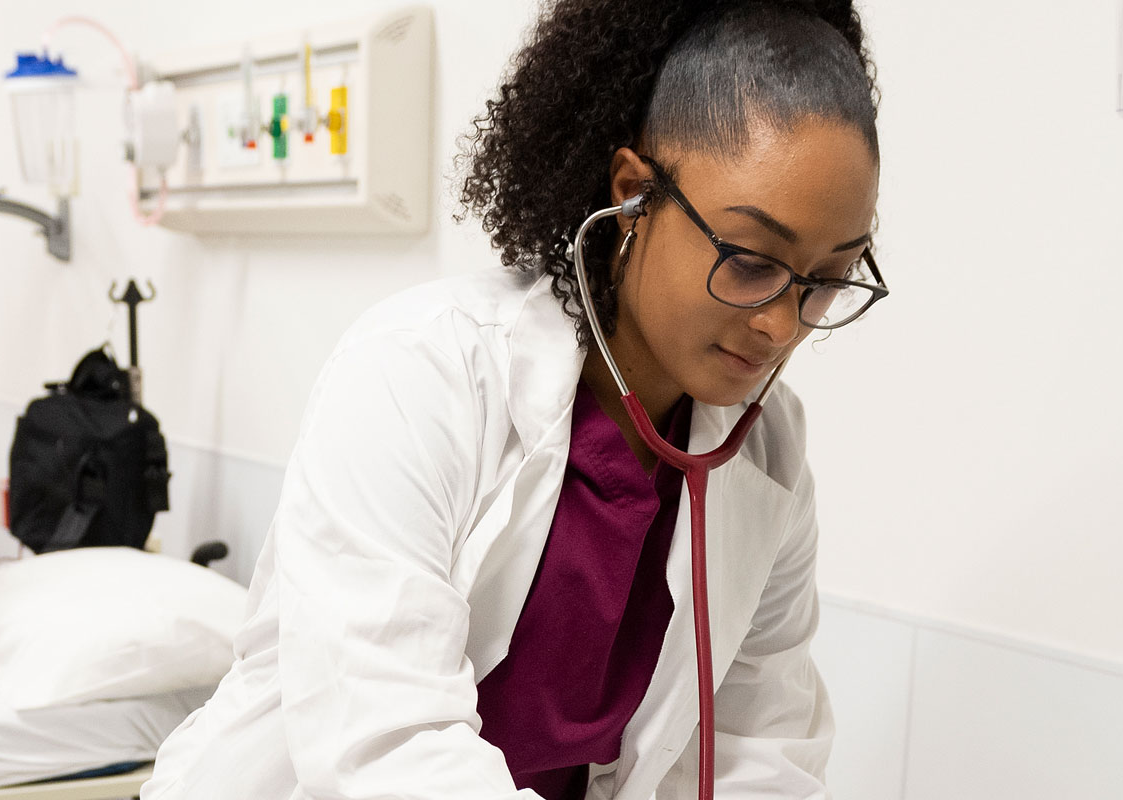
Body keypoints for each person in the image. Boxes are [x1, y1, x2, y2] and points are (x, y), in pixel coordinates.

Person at [142, 1, 888, 798]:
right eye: (747, 260)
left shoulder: (766, 458)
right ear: (635, 197)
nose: (781, 325)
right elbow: (390, 745)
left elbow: (760, 748)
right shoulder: (418, 374)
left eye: (829, 279)